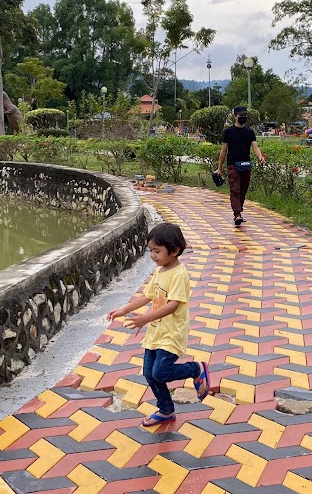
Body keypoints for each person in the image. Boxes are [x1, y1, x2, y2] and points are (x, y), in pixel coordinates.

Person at [106, 223, 210, 427]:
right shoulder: (160, 271)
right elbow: (147, 296)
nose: (152, 255)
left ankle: (195, 369)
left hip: (171, 333)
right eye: (150, 250)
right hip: (156, 332)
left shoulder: (179, 275)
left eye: (157, 251)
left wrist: (145, 318)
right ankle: (166, 410)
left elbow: (173, 305)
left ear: (174, 251)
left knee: (160, 372)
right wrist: (124, 310)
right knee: (149, 373)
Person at [214, 106, 265, 227]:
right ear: (235, 116)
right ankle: (237, 214)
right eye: (241, 115)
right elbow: (223, 151)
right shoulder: (228, 132)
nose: (243, 118)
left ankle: (239, 212)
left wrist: (260, 157)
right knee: (235, 189)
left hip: (246, 165)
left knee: (243, 189)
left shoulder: (249, 132)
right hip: (233, 165)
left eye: (245, 115)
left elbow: (255, 146)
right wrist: (219, 168)